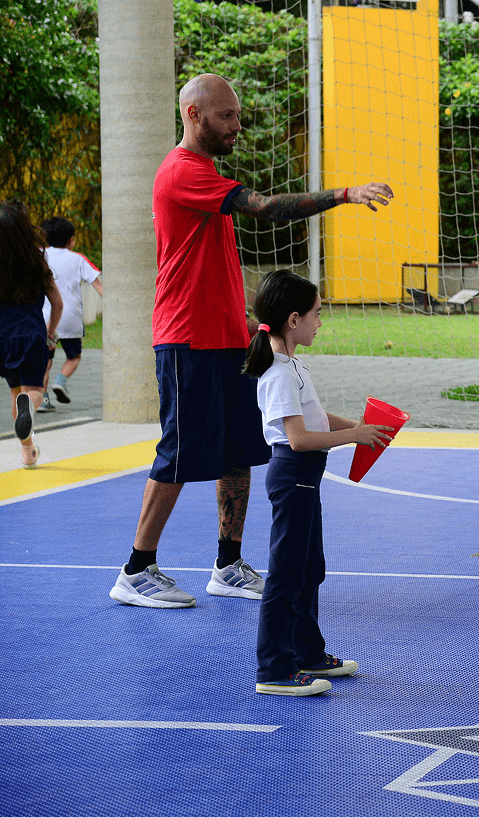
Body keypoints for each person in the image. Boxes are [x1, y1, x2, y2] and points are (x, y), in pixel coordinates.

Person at [109, 73, 394, 609]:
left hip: (227, 339)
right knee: (177, 455)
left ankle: (227, 563)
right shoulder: (182, 172)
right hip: (185, 339)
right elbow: (266, 207)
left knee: (240, 451)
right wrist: (344, 194)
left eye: (237, 115)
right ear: (194, 116)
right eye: (226, 116)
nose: (237, 125)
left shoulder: (207, 172)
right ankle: (136, 568)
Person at [243, 270, 390, 696]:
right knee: (287, 575)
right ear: (293, 320)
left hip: (305, 478)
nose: (320, 323)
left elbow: (317, 420)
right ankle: (274, 668)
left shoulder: (292, 363)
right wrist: (354, 436)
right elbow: (300, 438)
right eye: (316, 315)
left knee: (309, 569)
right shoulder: (279, 371)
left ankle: (307, 650)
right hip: (293, 475)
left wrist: (365, 427)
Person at [0, 201, 62, 469]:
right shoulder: (36, 261)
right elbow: (57, 302)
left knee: (15, 391)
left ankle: (28, 452)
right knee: (33, 391)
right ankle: (31, 406)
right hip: (31, 334)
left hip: (2, 338)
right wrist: (50, 333)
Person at [37, 217, 103, 412]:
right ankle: (61, 380)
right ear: (71, 240)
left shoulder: (39, 255)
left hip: (44, 318)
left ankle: (43, 398)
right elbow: (98, 285)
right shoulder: (78, 259)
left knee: (45, 361)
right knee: (74, 356)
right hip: (70, 317)